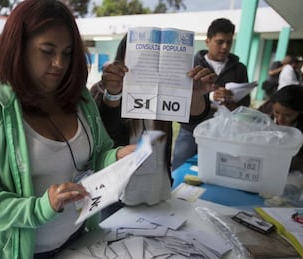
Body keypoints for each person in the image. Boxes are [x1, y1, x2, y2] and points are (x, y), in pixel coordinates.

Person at [0, 1, 135, 258]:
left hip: (77, 240)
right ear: (19, 48)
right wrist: (37, 209)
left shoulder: (80, 98)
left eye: (67, 53)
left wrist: (118, 156)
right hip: (17, 251)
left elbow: (97, 155)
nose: (59, 63)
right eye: (47, 51)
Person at [90, 34, 217, 219]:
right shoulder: (105, 89)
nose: (151, 66)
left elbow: (194, 119)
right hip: (116, 196)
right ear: (124, 57)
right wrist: (114, 93)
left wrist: (196, 93)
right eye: (142, 57)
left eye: (158, 60)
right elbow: (109, 129)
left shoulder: (165, 90)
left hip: (157, 190)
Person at [171, 18, 249, 171]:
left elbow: (245, 103)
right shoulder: (191, 65)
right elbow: (180, 98)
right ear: (207, 41)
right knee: (179, 169)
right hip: (191, 129)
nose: (225, 47)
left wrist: (231, 100)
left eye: (229, 42)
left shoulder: (239, 69)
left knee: (215, 171)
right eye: (220, 42)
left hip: (223, 132)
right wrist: (211, 97)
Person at [258, 85, 303, 171]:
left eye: (287, 115)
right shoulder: (270, 106)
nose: (280, 119)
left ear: (301, 111)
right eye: (276, 112)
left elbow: (302, 155)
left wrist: (276, 167)